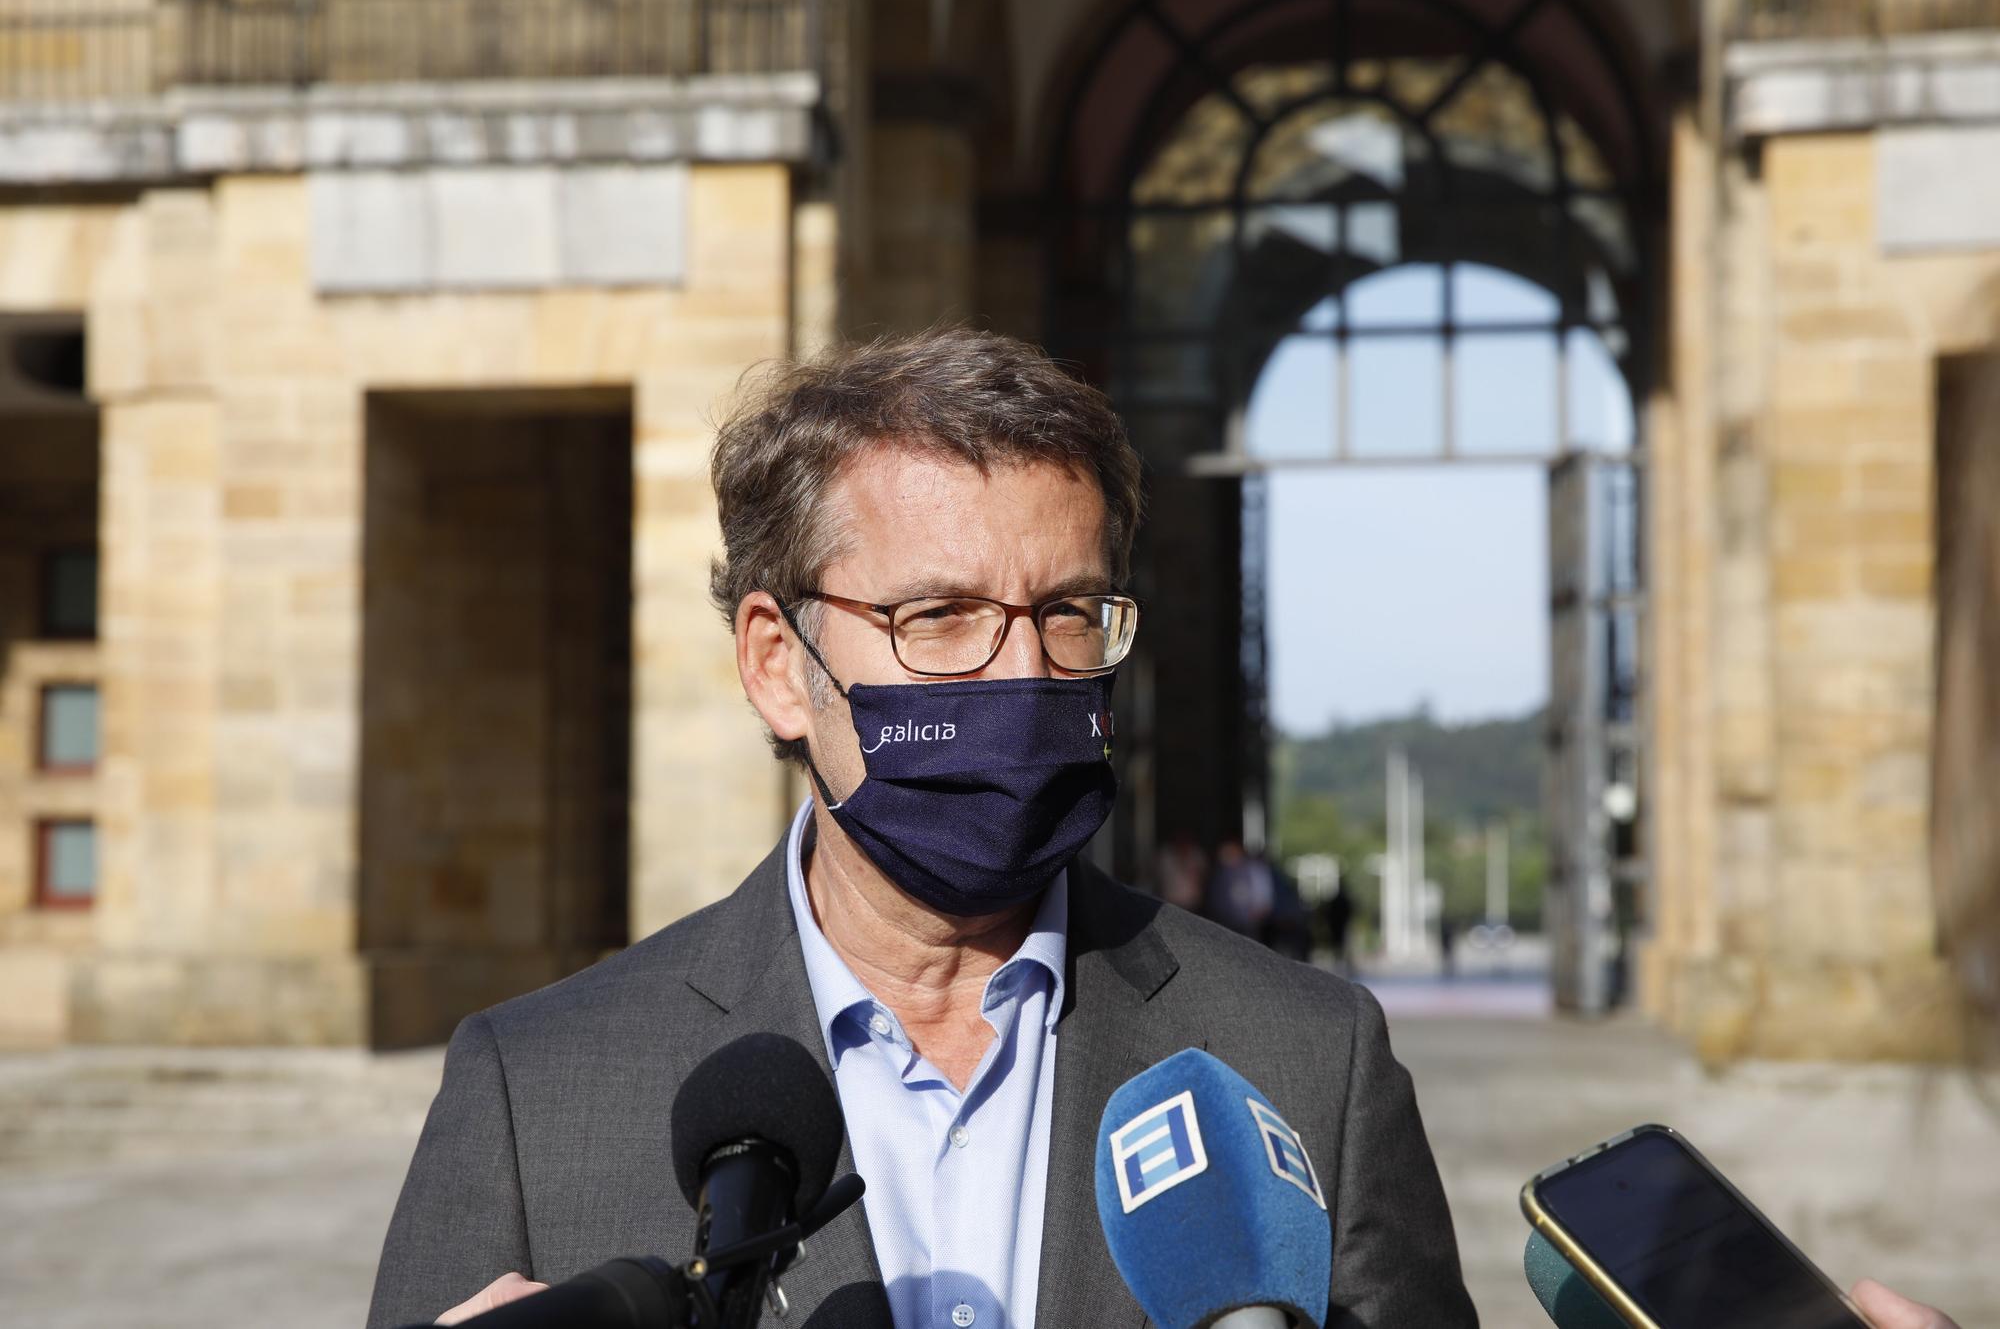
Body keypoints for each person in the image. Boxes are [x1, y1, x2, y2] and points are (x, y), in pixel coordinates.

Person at [364, 329, 1957, 1329]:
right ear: (780, 661)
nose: (1020, 671)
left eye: (1067, 616)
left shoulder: (1307, 1061)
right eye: (937, 619)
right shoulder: (534, 1092)